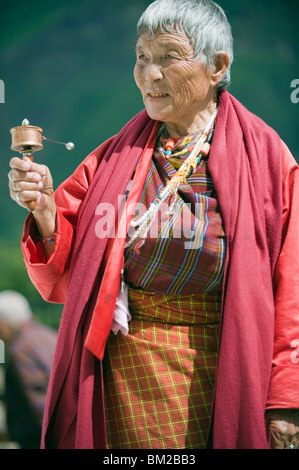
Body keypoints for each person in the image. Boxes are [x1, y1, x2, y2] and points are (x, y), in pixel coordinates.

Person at [7, 0, 299, 450]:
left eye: (168, 57)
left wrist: (284, 400)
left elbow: (292, 288)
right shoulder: (113, 157)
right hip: (121, 372)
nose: (150, 74)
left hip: (222, 363)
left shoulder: (266, 160)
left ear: (217, 66)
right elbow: (67, 268)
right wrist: (45, 207)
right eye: (142, 57)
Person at [0, 290, 57, 448]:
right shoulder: (48, 335)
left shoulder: (21, 350)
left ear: (3, 323)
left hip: (41, 440)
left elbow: (38, 402)